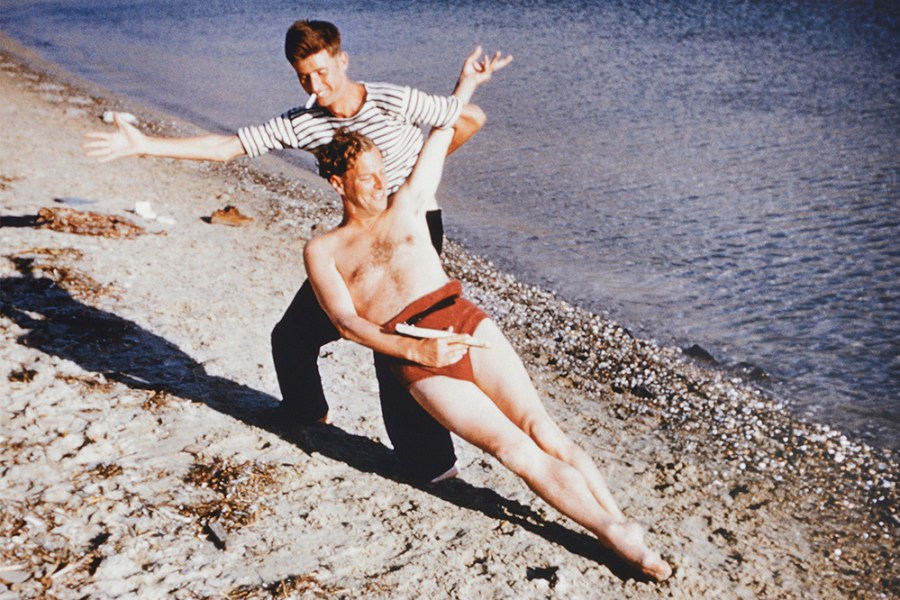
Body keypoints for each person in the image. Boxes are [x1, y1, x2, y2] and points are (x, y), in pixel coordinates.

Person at [304, 50, 673, 582]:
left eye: (382, 172)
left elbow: (438, 135)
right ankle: (611, 532)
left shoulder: (408, 203)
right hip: (416, 353)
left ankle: (619, 522)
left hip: (461, 319)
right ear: (338, 183)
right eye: (366, 178)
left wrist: (466, 84)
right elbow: (345, 323)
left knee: (541, 426)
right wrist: (416, 350)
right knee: (511, 447)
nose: (380, 184)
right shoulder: (324, 250)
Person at [83, 20, 491, 483]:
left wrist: (421, 176)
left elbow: (462, 117)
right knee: (292, 338)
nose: (316, 85)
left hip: (414, 230)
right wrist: (145, 146)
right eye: (304, 77)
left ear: (342, 59)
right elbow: (228, 147)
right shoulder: (305, 122)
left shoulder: (391, 99)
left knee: (393, 349)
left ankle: (436, 468)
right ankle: (307, 416)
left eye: (322, 71)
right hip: (357, 241)